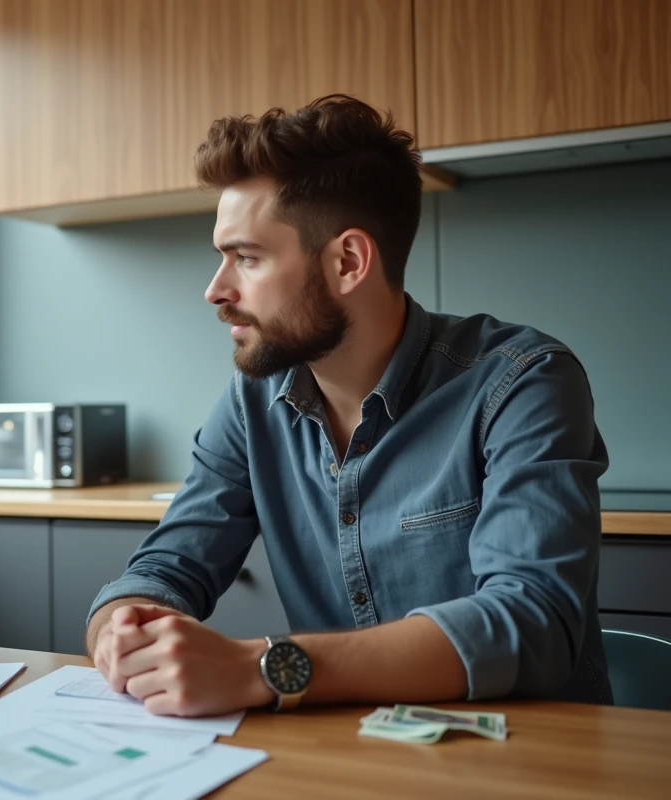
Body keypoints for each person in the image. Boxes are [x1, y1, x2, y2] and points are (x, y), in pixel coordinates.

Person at [86, 95, 612, 716]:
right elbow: (163, 570)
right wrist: (123, 628)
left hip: (521, 756)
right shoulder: (254, 401)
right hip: (347, 752)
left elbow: (532, 623)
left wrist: (264, 667)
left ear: (348, 262)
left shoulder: (521, 381)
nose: (216, 290)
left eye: (247, 258)